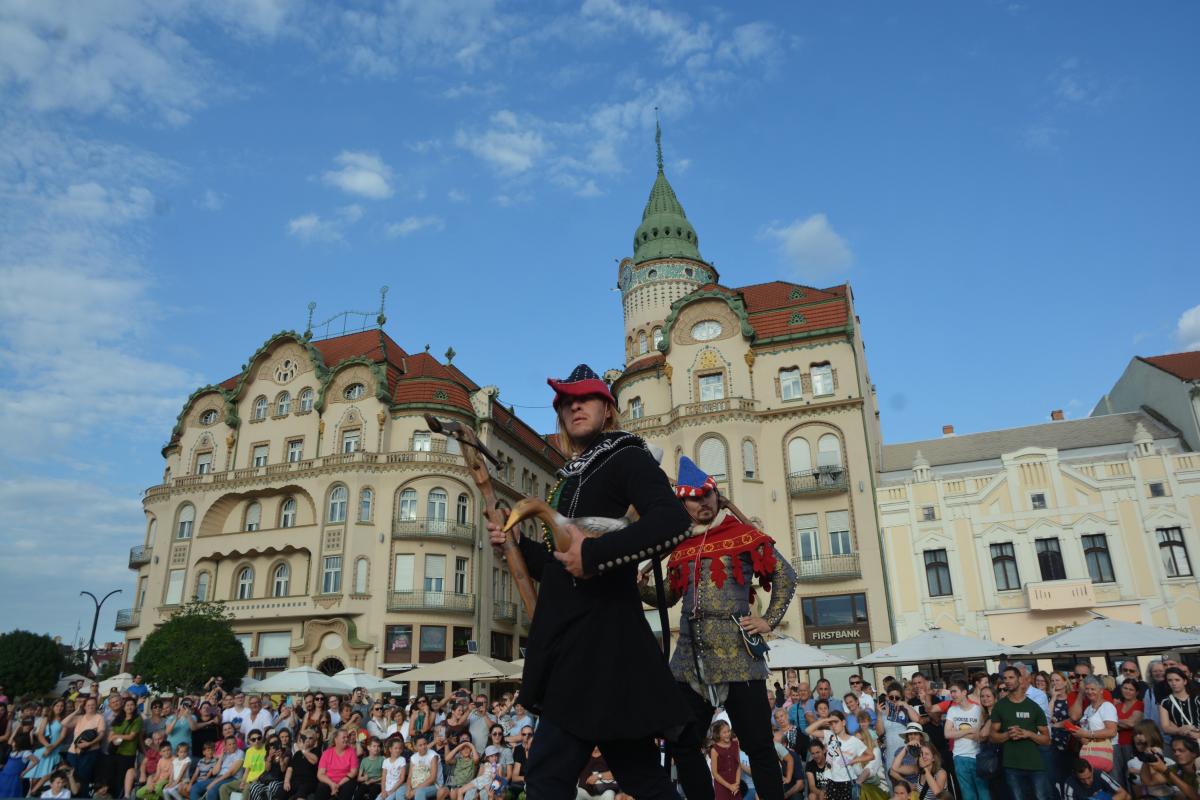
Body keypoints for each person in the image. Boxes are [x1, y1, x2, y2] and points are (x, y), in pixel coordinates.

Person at [487, 364, 693, 799]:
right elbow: (564, 566)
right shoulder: (570, 479)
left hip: (600, 640)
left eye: (586, 398)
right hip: (575, 640)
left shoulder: (625, 456)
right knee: (643, 778)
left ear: (608, 409)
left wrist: (596, 555)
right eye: (565, 401)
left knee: (547, 777)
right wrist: (518, 547)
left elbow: (673, 520)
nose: (574, 405)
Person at [644, 455, 797, 800]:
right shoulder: (680, 547)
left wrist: (768, 620)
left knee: (759, 746)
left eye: (708, 494)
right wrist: (638, 585)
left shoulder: (743, 535)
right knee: (682, 743)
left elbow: (785, 575)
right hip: (689, 660)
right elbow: (668, 596)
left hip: (737, 656)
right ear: (683, 502)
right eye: (695, 497)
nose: (703, 502)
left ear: (717, 495)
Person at [989, 665, 1052, 800]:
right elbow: (993, 737)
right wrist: (1007, 734)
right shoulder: (1000, 706)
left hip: (1035, 763)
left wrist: (1028, 734)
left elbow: (1047, 739)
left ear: (1020, 679)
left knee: (1041, 797)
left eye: (1011, 677)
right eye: (1005, 678)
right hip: (1011, 764)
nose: (1007, 681)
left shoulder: (1033, 707)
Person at [806, 711, 871, 800]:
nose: (833, 725)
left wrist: (853, 761)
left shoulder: (854, 741)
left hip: (847, 781)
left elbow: (870, 755)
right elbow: (808, 730)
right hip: (831, 780)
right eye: (831, 723)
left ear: (843, 722)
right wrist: (825, 720)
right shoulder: (829, 734)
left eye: (836, 722)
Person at [943, 679, 988, 800]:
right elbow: (947, 734)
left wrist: (957, 732)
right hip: (959, 756)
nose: (952, 695)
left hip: (978, 756)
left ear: (964, 692)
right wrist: (969, 730)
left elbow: (979, 736)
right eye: (951, 692)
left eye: (954, 691)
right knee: (968, 795)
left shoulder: (978, 709)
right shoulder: (952, 710)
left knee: (984, 794)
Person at [1074, 675, 1119, 776]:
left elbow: (1112, 731)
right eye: (1087, 689)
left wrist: (1087, 734)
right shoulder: (1088, 709)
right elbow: (1086, 731)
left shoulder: (1107, 707)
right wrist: (1081, 737)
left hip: (1108, 750)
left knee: (1113, 782)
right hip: (1092, 751)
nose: (1089, 692)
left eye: (1093, 689)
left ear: (1101, 690)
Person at [65, 694, 107, 796]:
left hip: (89, 752)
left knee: (84, 777)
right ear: (84, 706)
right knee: (72, 776)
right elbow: (64, 723)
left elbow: (101, 734)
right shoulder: (80, 717)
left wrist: (89, 743)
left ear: (96, 706)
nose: (91, 707)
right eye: (88, 705)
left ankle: (83, 797)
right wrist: (76, 711)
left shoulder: (99, 718)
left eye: (93, 705)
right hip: (73, 752)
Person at [1114, 677, 1145, 790]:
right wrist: (1121, 724)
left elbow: (1132, 723)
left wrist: (1115, 721)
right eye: (1125, 688)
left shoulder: (1139, 704)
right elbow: (1111, 726)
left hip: (1131, 744)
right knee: (1119, 775)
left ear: (1136, 692)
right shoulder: (1117, 706)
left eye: (1131, 689)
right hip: (1117, 744)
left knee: (1132, 774)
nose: (1127, 691)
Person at [1160, 666, 1200, 745]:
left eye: (1177, 680)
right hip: (1181, 744)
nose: (1173, 683)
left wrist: (1198, 734)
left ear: (1184, 681)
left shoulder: (1197, 699)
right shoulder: (1165, 702)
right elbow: (1165, 727)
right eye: (1170, 680)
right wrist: (1180, 730)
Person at [315, 730, 358, 800]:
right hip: (328, 781)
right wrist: (332, 784)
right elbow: (320, 774)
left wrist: (338, 785)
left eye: (347, 737)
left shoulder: (351, 751)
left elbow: (353, 772)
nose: (346, 739)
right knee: (321, 788)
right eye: (343, 737)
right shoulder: (327, 753)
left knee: (348, 787)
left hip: (345, 781)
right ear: (336, 739)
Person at [1063, 757, 1129, 800]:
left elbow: (1122, 793)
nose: (1087, 782)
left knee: (1128, 797)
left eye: (1089, 777)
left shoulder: (1100, 774)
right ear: (1075, 775)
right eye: (1082, 779)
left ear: (1092, 769)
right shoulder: (1070, 785)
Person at [707, 721, 741, 800]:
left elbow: (738, 765)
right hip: (721, 786)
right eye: (724, 732)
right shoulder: (714, 750)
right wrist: (730, 786)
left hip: (735, 784)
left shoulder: (735, 744)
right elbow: (714, 773)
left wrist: (737, 784)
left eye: (728, 731)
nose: (728, 734)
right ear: (718, 734)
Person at [284, 729, 321, 800]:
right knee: (281, 792)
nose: (307, 740)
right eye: (305, 738)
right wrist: (286, 781)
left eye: (310, 738)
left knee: (301, 791)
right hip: (295, 781)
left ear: (315, 740)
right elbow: (290, 768)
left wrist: (303, 750)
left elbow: (314, 761)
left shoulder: (317, 750)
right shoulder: (297, 754)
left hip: (309, 782)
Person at [405, 736, 439, 800]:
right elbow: (409, 777)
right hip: (415, 784)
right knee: (400, 792)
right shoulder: (413, 757)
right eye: (420, 745)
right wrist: (408, 790)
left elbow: (432, 778)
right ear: (415, 747)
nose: (423, 747)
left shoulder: (433, 755)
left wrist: (414, 791)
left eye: (425, 744)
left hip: (433, 785)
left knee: (419, 792)